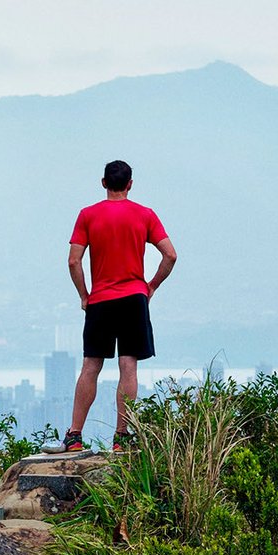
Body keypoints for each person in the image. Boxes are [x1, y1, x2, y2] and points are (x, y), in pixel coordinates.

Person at [46, 159, 177, 455]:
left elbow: (73, 260)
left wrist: (84, 295)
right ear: (130, 184)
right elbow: (170, 255)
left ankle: (75, 435)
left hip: (101, 300)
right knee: (127, 365)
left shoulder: (87, 215)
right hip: (134, 298)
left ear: (103, 183)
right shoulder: (145, 215)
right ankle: (122, 437)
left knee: (91, 366)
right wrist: (151, 286)